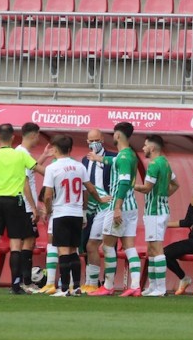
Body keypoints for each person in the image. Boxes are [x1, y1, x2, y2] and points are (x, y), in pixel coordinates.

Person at [0, 123, 45, 294]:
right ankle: (15, 285)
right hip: (16, 202)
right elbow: (38, 171)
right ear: (13, 138)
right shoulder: (19, 156)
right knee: (16, 245)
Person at [42, 135, 109, 296]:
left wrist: (48, 210)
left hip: (61, 212)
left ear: (55, 149)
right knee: (74, 251)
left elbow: (47, 195)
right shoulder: (79, 167)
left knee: (63, 251)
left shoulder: (52, 168)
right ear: (70, 149)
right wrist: (89, 208)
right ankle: (77, 286)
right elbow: (89, 190)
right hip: (77, 213)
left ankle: (65, 288)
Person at [88, 122, 141, 297]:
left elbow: (124, 182)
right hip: (132, 206)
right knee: (129, 246)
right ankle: (135, 285)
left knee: (107, 246)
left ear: (117, 136)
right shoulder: (127, 155)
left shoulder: (124, 158)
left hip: (120, 206)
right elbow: (114, 160)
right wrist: (99, 159)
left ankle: (109, 285)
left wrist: (117, 207)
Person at [133, 134, 179, 297]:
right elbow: (176, 184)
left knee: (157, 248)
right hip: (160, 210)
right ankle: (153, 286)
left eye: (145, 145)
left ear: (152, 148)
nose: (143, 148)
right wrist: (164, 196)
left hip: (155, 212)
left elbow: (146, 188)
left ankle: (160, 288)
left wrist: (132, 186)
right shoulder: (165, 163)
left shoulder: (153, 164)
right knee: (151, 249)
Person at [14, 122, 52, 293]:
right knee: (28, 242)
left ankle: (20, 281)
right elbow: (25, 183)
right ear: (33, 135)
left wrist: (43, 157)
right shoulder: (22, 153)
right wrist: (34, 207)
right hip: (25, 207)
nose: (38, 139)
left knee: (24, 242)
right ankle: (25, 281)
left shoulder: (19, 152)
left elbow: (30, 170)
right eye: (38, 136)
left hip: (20, 205)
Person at [79, 128, 117, 293]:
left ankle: (108, 283)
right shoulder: (85, 160)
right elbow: (85, 186)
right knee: (89, 245)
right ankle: (91, 283)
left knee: (107, 245)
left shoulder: (113, 157)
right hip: (92, 206)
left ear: (102, 139)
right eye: (90, 140)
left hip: (107, 205)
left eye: (96, 140)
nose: (93, 143)